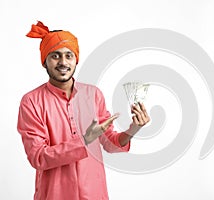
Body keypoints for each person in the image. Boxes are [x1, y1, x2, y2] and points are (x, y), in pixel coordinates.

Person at [17, 21, 150, 200]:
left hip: (94, 193)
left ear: (76, 59)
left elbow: (109, 143)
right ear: (44, 62)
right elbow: (38, 157)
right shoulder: (31, 101)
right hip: (54, 195)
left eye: (68, 55)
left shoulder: (93, 94)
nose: (63, 62)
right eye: (55, 56)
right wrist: (85, 140)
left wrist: (133, 129)